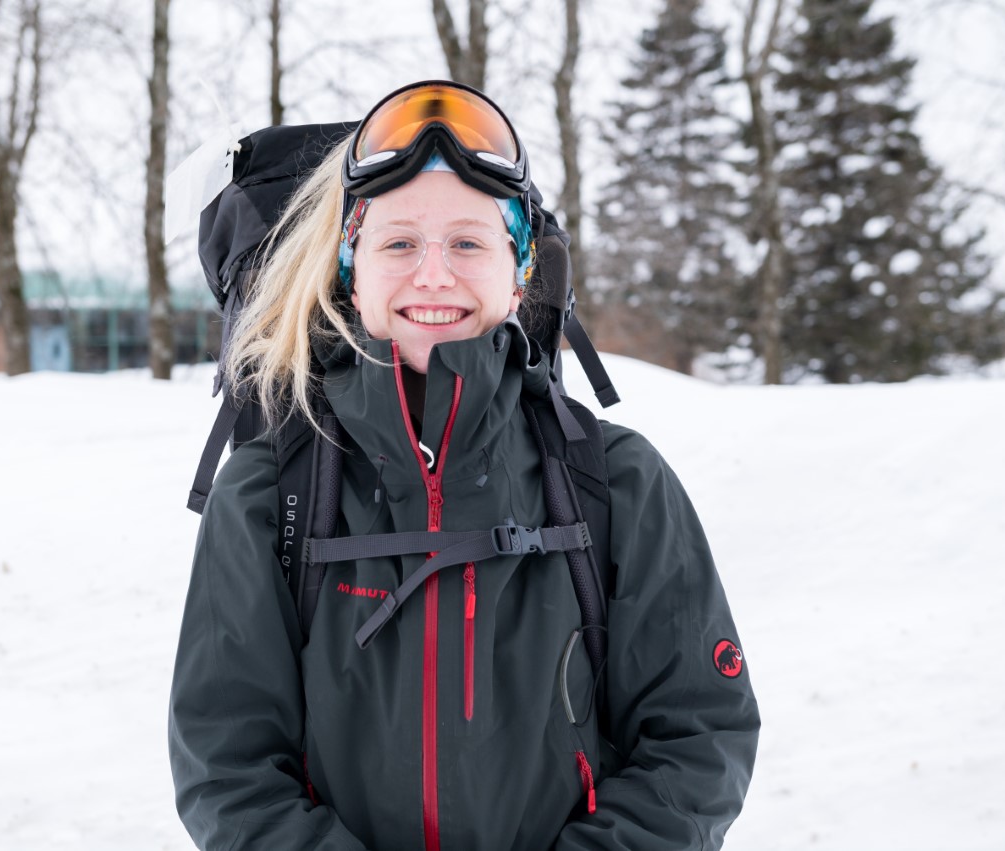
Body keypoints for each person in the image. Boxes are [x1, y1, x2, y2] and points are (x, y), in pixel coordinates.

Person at [169, 80, 760, 851]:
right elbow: (228, 764)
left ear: (519, 270)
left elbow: (696, 740)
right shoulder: (266, 493)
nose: (434, 274)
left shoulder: (616, 482)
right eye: (400, 242)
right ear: (352, 268)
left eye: (468, 242)